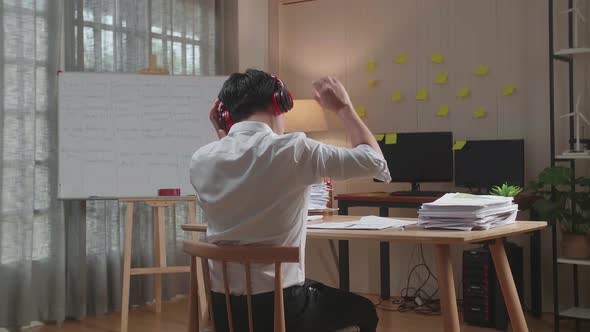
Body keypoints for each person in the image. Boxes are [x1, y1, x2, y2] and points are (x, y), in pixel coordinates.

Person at [190, 69, 391, 332]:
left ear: (225, 115)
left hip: (224, 312)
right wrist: (344, 108)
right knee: (364, 310)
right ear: (278, 104)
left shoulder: (201, 159)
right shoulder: (294, 149)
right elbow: (375, 163)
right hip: (283, 311)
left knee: (310, 287)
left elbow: (240, 171)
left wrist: (224, 137)